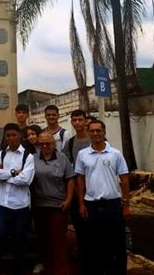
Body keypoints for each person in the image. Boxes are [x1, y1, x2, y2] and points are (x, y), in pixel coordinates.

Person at [75, 120, 130, 275]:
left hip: (113, 205)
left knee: (117, 244)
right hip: (91, 205)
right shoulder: (82, 154)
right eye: (92, 131)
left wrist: (126, 205)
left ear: (104, 132)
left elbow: (125, 180)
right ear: (88, 133)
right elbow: (80, 180)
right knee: (93, 245)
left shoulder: (115, 154)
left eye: (98, 130)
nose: (95, 134)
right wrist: (81, 204)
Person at [0, 123, 35, 275]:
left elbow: (26, 180)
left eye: (13, 135)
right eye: (8, 135)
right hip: (3, 205)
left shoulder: (28, 156)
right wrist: (13, 172)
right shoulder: (0, 154)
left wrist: (4, 175)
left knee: (20, 244)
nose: (11, 138)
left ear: (20, 136)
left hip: (21, 206)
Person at [31, 132, 75, 275]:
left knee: (58, 240)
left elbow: (70, 179)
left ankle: (61, 269)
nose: (45, 146)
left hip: (57, 206)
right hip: (39, 206)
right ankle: (45, 266)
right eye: (41, 144)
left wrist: (68, 200)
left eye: (48, 143)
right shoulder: (33, 159)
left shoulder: (62, 159)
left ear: (54, 144)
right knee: (42, 239)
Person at [63, 109, 91, 272]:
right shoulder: (71, 143)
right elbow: (66, 167)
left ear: (85, 121)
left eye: (80, 120)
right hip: (76, 192)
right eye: (74, 120)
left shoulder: (95, 139)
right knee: (80, 227)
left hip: (95, 192)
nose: (77, 123)